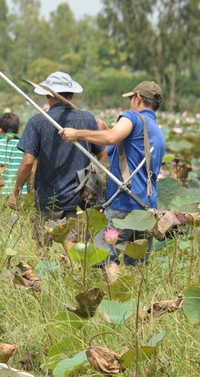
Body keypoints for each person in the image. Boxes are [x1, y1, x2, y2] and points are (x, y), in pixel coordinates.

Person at [59, 81, 166, 276]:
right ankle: (136, 304)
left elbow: (110, 138)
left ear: (138, 98)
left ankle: (114, 299)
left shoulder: (133, 117)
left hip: (122, 206)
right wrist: (105, 129)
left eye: (131, 99)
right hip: (147, 208)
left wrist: (77, 134)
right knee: (137, 264)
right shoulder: (156, 130)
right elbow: (112, 149)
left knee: (106, 257)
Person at [8, 71, 106, 248]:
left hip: (46, 197)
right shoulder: (87, 119)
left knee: (43, 250)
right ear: (72, 94)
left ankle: (43, 275)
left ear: (47, 94)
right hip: (79, 197)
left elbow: (28, 161)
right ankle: (74, 274)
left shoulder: (37, 121)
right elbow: (102, 156)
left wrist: (15, 192)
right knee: (73, 248)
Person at [0, 112, 28, 197]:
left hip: (1, 191)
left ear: (0, 129)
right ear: (18, 130)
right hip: (19, 192)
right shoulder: (24, 145)